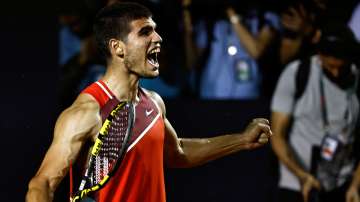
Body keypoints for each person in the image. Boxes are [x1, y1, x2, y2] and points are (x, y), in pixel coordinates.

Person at [26, 2, 273, 202]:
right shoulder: (86, 112)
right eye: (145, 32)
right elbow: (42, 185)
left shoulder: (154, 102)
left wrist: (241, 140)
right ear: (118, 48)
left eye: (154, 29)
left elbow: (178, 152)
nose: (158, 38)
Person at [271, 22, 360, 202]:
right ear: (320, 56)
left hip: (342, 186)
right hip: (298, 184)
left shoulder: (358, 79)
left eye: (341, 68)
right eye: (330, 67)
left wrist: (355, 185)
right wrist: (301, 174)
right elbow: (277, 135)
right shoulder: (297, 73)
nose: (335, 73)